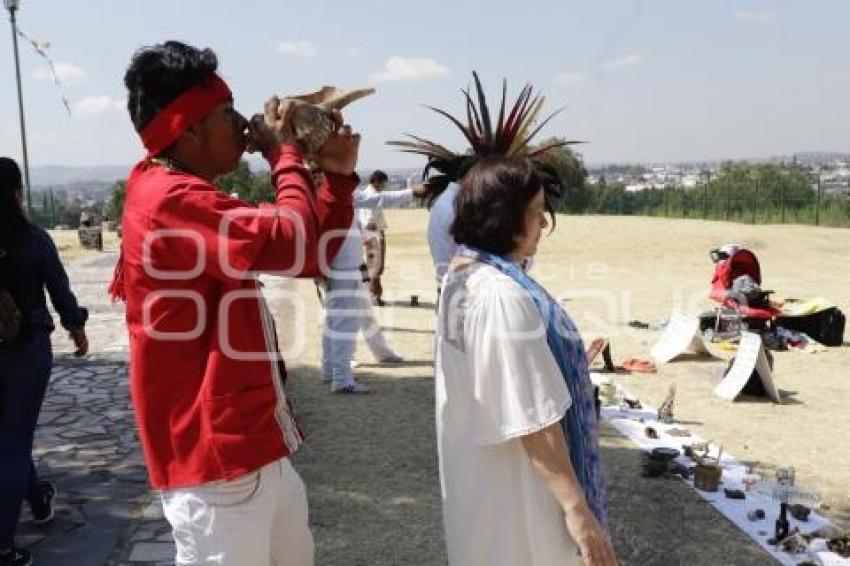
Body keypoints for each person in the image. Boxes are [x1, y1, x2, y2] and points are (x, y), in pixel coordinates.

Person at [110, 41, 359, 565]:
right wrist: (283, 152)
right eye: (228, 114)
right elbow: (292, 242)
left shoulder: (183, 192)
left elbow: (312, 254)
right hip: (217, 466)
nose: (245, 126)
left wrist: (336, 177)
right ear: (190, 128)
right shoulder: (169, 199)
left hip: (251, 452)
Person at [435, 157, 616, 566]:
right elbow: (535, 422)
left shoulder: (460, 277)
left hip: (480, 489)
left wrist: (559, 365)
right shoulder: (501, 294)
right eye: (536, 213)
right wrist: (577, 509)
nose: (542, 226)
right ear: (506, 219)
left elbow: (497, 370)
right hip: (520, 498)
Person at [0, 157, 89, 566]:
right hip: (27, 350)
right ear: (18, 192)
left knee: (10, 438)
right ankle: (3, 544)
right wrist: (76, 327)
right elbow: (59, 288)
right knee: (14, 443)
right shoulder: (34, 239)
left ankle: (37, 498)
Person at [321, 178, 426, 393]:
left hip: (347, 267)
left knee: (355, 315)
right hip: (342, 270)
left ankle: (339, 366)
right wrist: (411, 193)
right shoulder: (335, 194)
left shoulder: (329, 195)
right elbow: (379, 199)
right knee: (343, 323)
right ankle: (340, 378)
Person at [357, 170, 395, 305]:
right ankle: (372, 296)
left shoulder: (369, 194)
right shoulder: (370, 196)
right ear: (376, 182)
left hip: (373, 234)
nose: (384, 186)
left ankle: (373, 296)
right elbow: (370, 223)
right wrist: (376, 240)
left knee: (376, 268)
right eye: (383, 183)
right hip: (373, 236)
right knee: (375, 267)